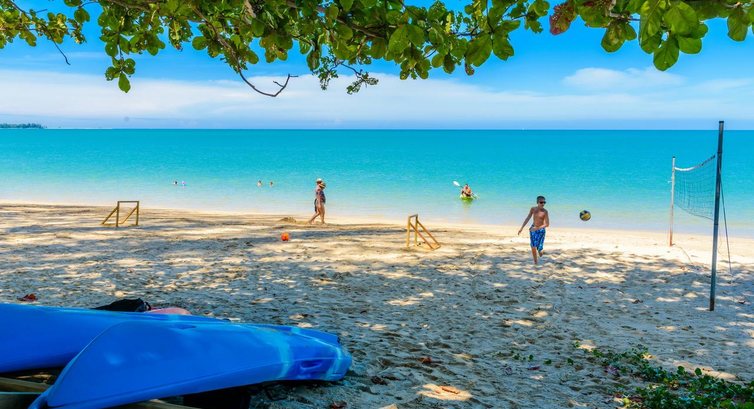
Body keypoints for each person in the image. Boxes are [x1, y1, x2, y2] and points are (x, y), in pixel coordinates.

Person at [518, 195, 549, 265]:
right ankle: (536, 263)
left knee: (540, 251)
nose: (543, 204)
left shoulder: (545, 211)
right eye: (541, 202)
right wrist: (522, 228)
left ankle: (540, 250)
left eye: (544, 202)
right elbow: (528, 218)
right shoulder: (533, 209)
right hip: (533, 229)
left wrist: (537, 228)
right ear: (537, 202)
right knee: (533, 246)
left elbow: (547, 224)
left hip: (541, 230)